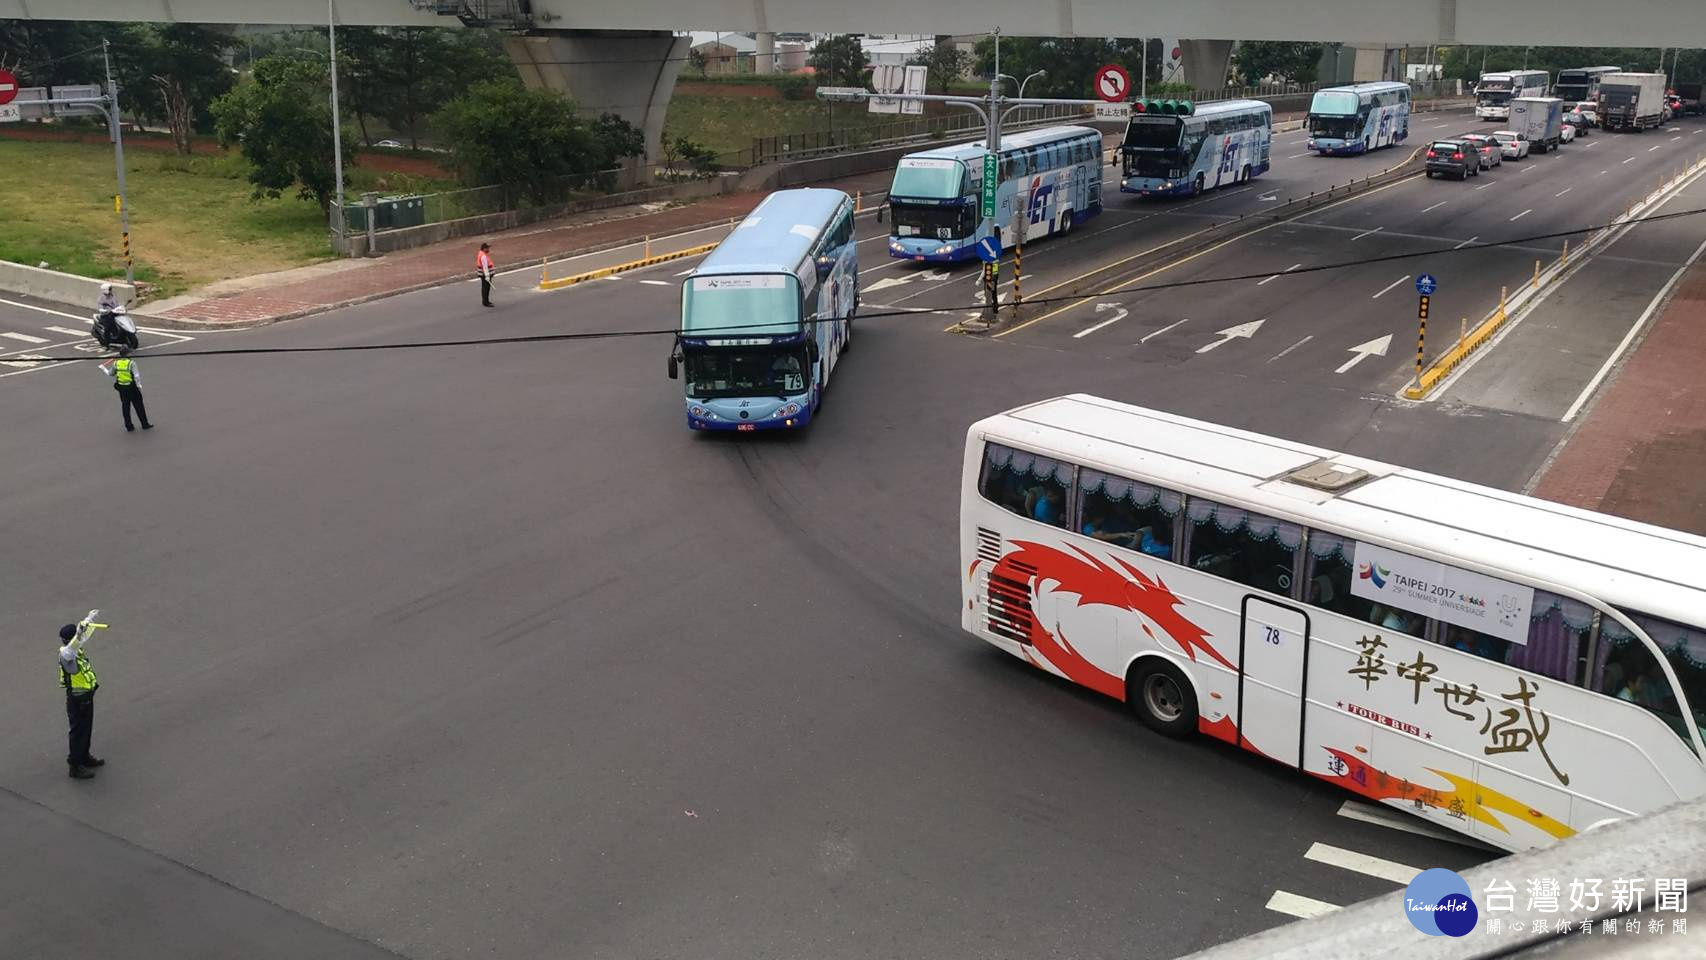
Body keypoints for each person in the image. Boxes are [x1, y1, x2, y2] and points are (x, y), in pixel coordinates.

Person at [58, 620, 104, 779]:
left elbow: (83, 637)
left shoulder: (76, 649)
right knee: (78, 732)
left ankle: (84, 756)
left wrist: (87, 621)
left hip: (85, 697)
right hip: (77, 700)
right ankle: (75, 766)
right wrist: (79, 635)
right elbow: (72, 648)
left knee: (86, 729)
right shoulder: (66, 654)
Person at [100, 346, 153, 432]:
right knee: (139, 406)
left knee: (125, 407)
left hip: (122, 388)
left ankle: (129, 426)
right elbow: (136, 376)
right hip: (132, 388)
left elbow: (110, 373)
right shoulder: (131, 363)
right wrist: (139, 385)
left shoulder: (116, 363)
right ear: (127, 354)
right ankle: (144, 424)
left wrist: (103, 368)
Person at [476, 242, 495, 307]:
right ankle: (486, 302)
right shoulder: (483, 256)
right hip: (485, 274)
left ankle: (485, 301)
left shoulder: (481, 253)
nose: (488, 249)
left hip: (483, 274)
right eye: (487, 248)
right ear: (484, 248)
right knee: (486, 288)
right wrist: (487, 275)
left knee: (485, 288)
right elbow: (485, 267)